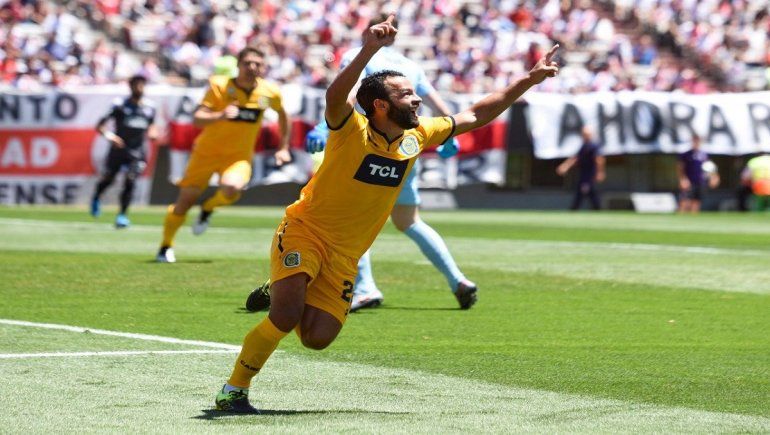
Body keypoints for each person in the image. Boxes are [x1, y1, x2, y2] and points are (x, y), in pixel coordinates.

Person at [214, 15, 560, 413]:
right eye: (407, 94)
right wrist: (369, 49)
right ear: (380, 105)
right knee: (287, 313)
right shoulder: (351, 130)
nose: (417, 100)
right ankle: (234, 390)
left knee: (316, 337)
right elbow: (335, 96)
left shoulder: (417, 135)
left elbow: (477, 114)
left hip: (346, 254)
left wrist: (527, 81)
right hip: (305, 230)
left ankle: (280, 287)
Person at [302, 14, 475, 311]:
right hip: (406, 148)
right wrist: (450, 134)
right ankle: (457, 279)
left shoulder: (359, 57)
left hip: (370, 147)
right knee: (409, 220)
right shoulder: (411, 67)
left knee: (352, 213)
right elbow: (432, 100)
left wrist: (323, 126)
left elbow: (348, 94)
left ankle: (366, 287)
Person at [156, 47, 291, 263]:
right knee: (185, 202)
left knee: (233, 188)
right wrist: (220, 115)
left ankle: (208, 208)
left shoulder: (269, 93)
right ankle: (165, 246)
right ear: (238, 65)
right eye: (247, 63)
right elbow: (198, 118)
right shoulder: (219, 86)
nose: (252, 67)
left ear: (263, 67)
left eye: (257, 64)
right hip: (206, 154)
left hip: (237, 157)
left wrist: (283, 147)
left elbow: (284, 116)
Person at [90, 74, 158, 228]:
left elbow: (152, 125)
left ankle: (122, 215)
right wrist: (110, 136)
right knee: (109, 179)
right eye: (137, 84)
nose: (140, 88)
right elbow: (100, 125)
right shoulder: (119, 105)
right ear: (131, 86)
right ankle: (97, 196)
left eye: (142, 84)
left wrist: (154, 132)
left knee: (131, 180)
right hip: (118, 149)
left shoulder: (149, 107)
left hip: (137, 151)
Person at [556, 126, 605, 210]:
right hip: (584, 173)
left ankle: (579, 208)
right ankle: (594, 208)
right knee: (585, 191)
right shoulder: (583, 146)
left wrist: (600, 172)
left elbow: (599, 159)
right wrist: (565, 166)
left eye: (586, 134)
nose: (584, 136)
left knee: (586, 191)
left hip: (590, 174)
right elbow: (576, 158)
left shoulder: (593, 146)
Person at [676, 135, 719, 213]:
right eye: (694, 141)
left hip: (700, 182)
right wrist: (683, 179)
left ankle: (691, 222)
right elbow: (680, 168)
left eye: (698, 141)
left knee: (696, 202)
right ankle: (680, 221)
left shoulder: (704, 155)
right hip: (689, 182)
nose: (696, 143)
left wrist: (714, 177)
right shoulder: (686, 155)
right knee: (684, 202)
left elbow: (710, 168)